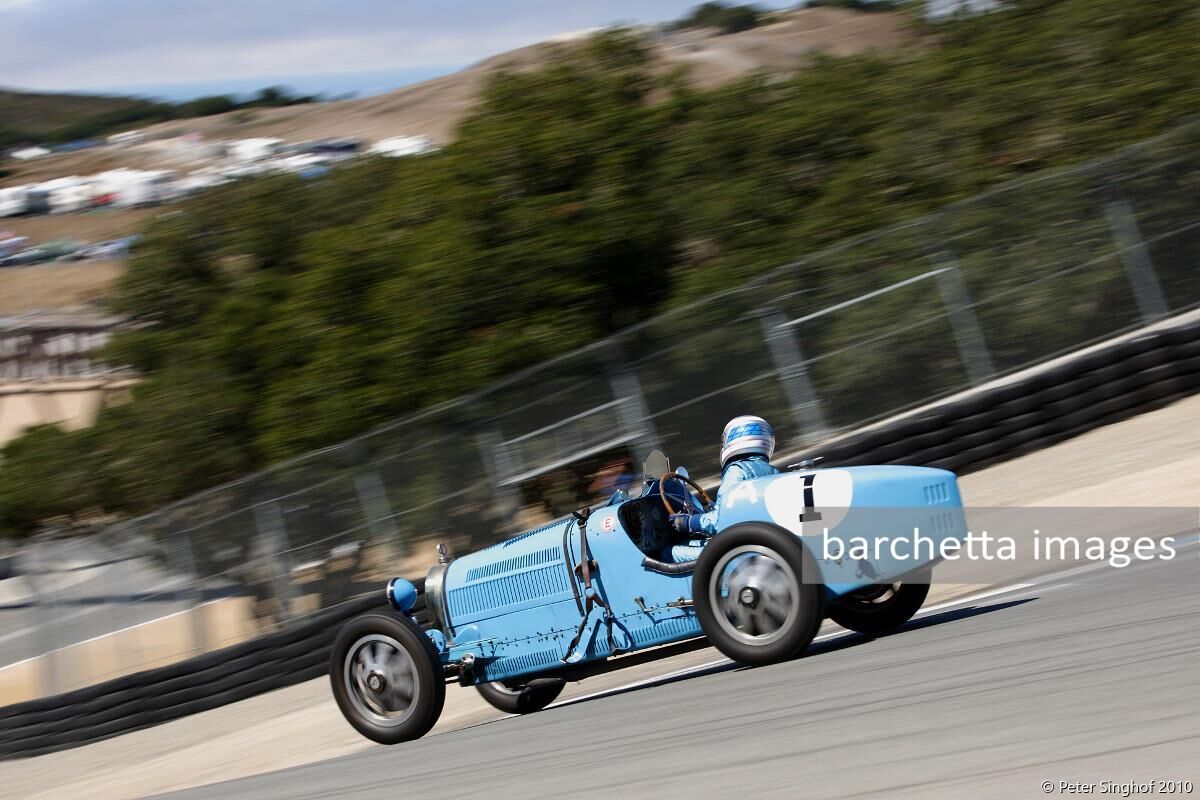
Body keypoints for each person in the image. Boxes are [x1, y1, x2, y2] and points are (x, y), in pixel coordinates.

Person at [669, 415, 779, 536]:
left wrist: (688, 522)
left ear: (734, 439)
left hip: (746, 541)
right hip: (767, 535)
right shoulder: (774, 472)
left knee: (676, 548)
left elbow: (722, 520)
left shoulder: (737, 471)